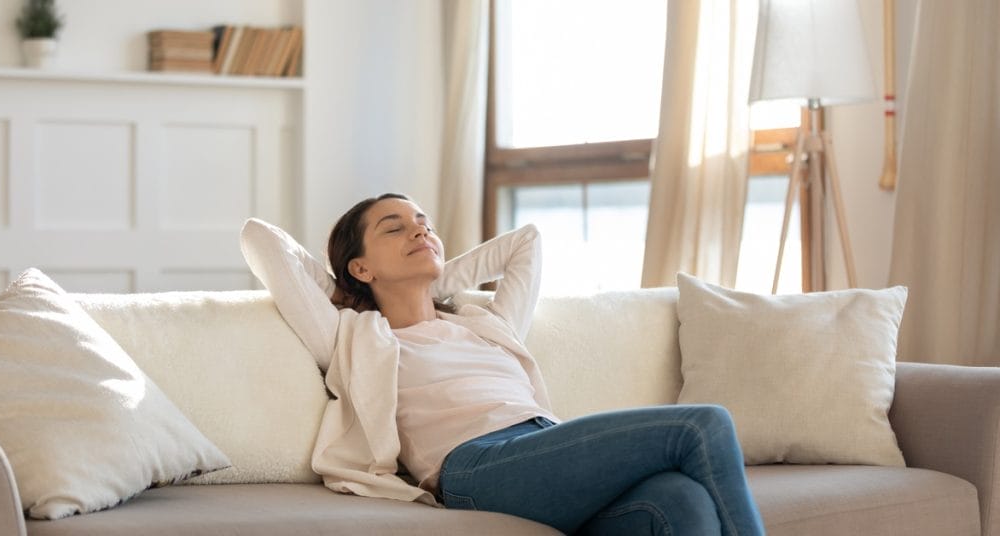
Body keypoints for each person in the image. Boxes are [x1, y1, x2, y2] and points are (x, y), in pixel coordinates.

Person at [240, 193, 765, 536]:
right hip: (476, 467)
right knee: (703, 424)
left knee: (681, 501)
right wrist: (357, 291)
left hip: (542, 445)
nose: (420, 232)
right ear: (359, 264)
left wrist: (429, 275)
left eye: (425, 225)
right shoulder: (355, 335)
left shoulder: (483, 322)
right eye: (395, 229)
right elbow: (260, 238)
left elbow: (526, 242)